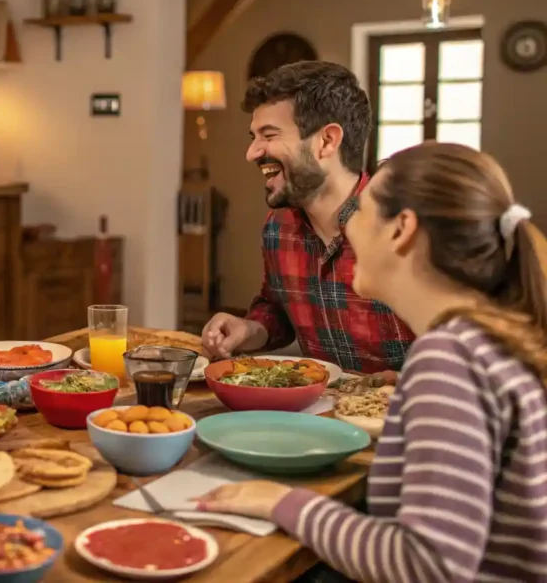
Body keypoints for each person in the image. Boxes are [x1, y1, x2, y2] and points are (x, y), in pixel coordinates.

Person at [197, 142, 547, 582]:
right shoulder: (490, 339)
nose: (347, 232)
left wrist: (280, 502)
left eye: (359, 213)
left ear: (401, 229)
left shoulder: (449, 358)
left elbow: (428, 564)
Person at [202, 61, 413, 373]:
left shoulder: (406, 230)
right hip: (320, 414)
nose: (252, 152)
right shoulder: (278, 228)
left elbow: (470, 350)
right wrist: (250, 329)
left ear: (327, 141)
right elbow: (277, 309)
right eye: (253, 136)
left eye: (269, 135)